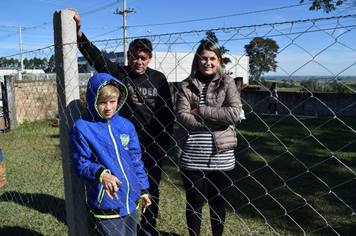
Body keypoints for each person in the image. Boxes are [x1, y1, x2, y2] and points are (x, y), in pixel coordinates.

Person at [67, 8, 174, 236]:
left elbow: (167, 114)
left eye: (143, 57)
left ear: (150, 58)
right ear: (128, 56)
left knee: (149, 191)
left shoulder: (158, 79)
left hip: (152, 145)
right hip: (122, 143)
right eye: (134, 56)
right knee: (124, 186)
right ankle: (121, 223)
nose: (138, 61)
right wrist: (79, 35)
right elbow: (96, 58)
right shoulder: (119, 74)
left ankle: (147, 230)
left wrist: (164, 144)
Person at [173, 40, 241, 236]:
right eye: (204, 58)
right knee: (194, 202)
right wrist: (215, 121)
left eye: (212, 59)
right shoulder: (186, 85)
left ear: (218, 61)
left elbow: (233, 114)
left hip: (221, 157)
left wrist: (200, 110)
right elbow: (182, 116)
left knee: (217, 203)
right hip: (191, 156)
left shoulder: (227, 83)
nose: (208, 62)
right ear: (198, 59)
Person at [71, 73, 151, 236]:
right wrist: (102, 174)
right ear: (92, 100)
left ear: (119, 101)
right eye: (101, 102)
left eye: (112, 102)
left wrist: (143, 189)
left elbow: (136, 160)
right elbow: (81, 163)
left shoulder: (126, 125)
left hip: (132, 199)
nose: (108, 107)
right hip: (108, 200)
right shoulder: (82, 127)